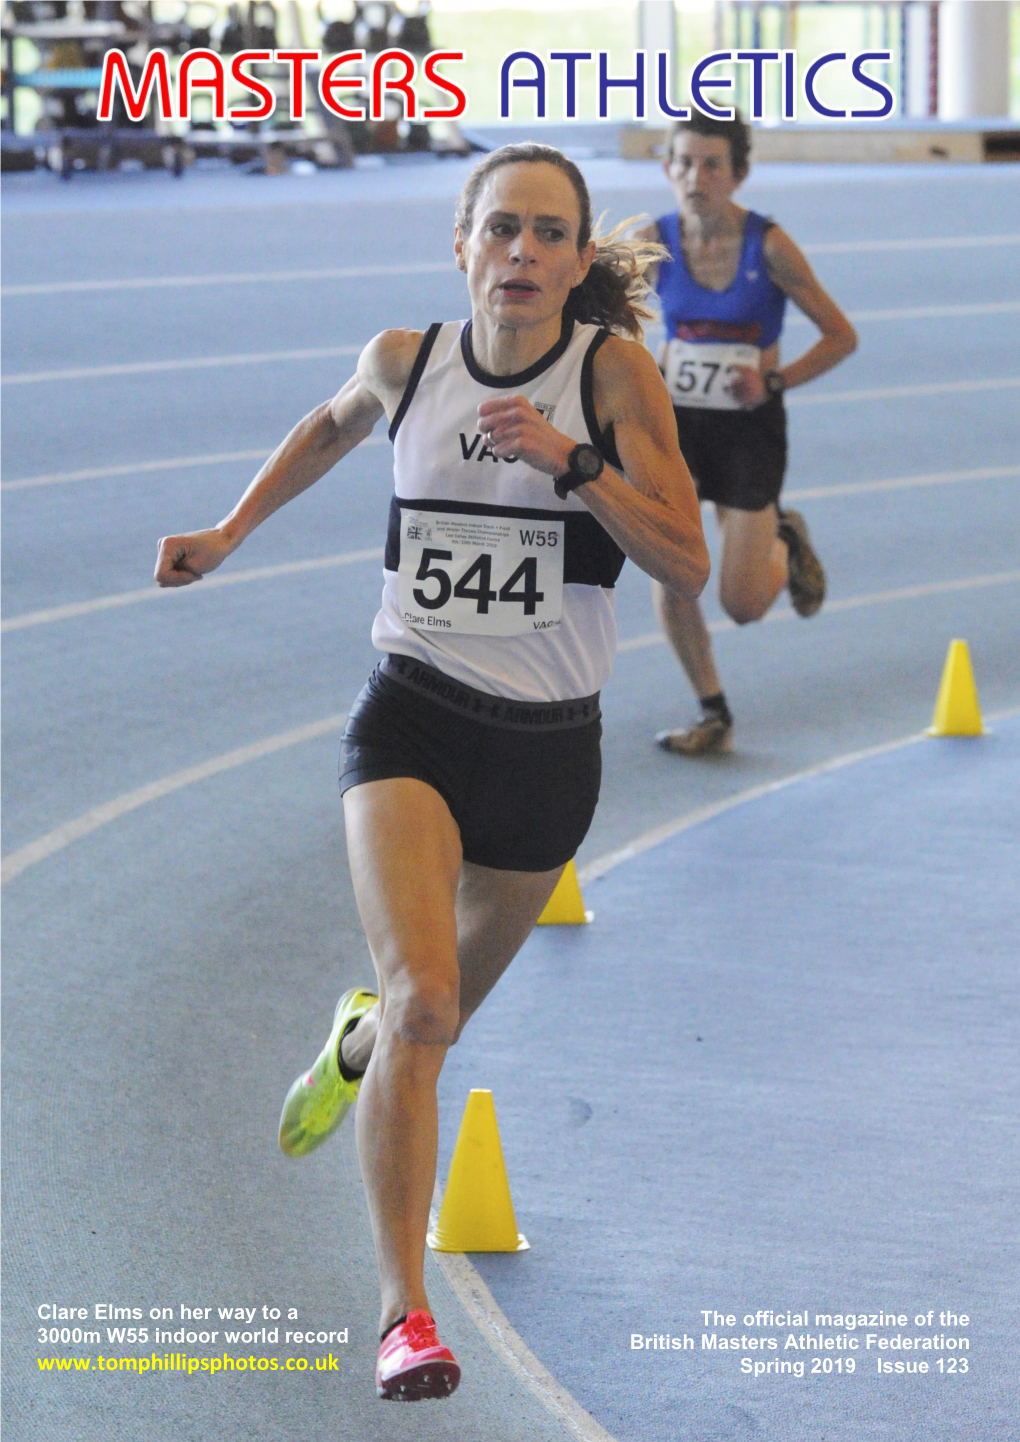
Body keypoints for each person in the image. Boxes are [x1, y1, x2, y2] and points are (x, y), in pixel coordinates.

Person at [154, 142, 709, 1401]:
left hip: (550, 748)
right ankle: (406, 1316)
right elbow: (327, 428)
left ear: (576, 261)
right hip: (410, 714)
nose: (522, 254)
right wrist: (228, 532)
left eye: (549, 235)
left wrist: (574, 462)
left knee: (426, 1016)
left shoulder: (610, 373)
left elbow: (682, 562)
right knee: (428, 1008)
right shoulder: (407, 359)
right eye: (500, 228)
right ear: (459, 243)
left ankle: (358, 1042)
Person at [638, 112, 858, 755]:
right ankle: (713, 711)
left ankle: (784, 536)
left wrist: (776, 382)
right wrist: (643, 364)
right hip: (677, 427)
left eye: (712, 165)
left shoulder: (770, 247)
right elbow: (605, 322)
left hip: (748, 431)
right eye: (683, 163)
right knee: (673, 572)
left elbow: (841, 335)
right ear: (666, 168)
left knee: (742, 604)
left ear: (739, 174)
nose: (695, 177)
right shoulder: (656, 241)